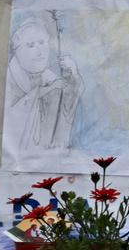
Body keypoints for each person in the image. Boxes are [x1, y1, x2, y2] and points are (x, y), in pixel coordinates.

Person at [5, 18, 82, 151]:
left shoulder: (48, 76)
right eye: (30, 45)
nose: (40, 52)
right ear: (17, 49)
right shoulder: (10, 76)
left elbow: (68, 100)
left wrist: (73, 71)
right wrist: (49, 89)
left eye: (42, 43)